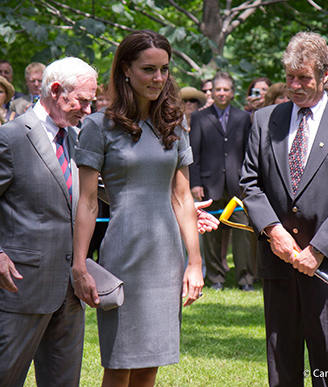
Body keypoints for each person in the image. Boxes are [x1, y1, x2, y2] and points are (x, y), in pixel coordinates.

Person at [240, 31, 328, 386]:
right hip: (279, 260)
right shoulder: (265, 120)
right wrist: (273, 231)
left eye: (304, 78)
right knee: (282, 364)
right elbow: (250, 183)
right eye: (290, 78)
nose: (295, 86)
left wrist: (318, 250)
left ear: (325, 75)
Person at [0, 57, 98, 386]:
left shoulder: (75, 140)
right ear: (57, 91)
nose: (88, 111)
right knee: (0, 380)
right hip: (19, 285)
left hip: (69, 290)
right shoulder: (11, 137)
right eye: (83, 101)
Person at [72, 30, 204, 387]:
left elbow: (182, 197)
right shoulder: (98, 127)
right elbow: (85, 202)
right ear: (125, 70)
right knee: (120, 361)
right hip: (124, 255)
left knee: (151, 362)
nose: (158, 79)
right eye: (149, 69)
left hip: (167, 258)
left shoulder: (174, 123)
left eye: (164, 70)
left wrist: (195, 262)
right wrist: (79, 263)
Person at [189, 71, 255, 291]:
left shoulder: (243, 117)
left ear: (232, 92)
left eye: (226, 89)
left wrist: (249, 182)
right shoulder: (199, 117)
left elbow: (249, 153)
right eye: (218, 89)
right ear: (212, 92)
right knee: (211, 235)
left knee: (243, 233)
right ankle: (216, 278)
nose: (222, 93)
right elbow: (194, 154)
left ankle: (245, 279)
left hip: (238, 186)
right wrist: (195, 183)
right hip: (209, 184)